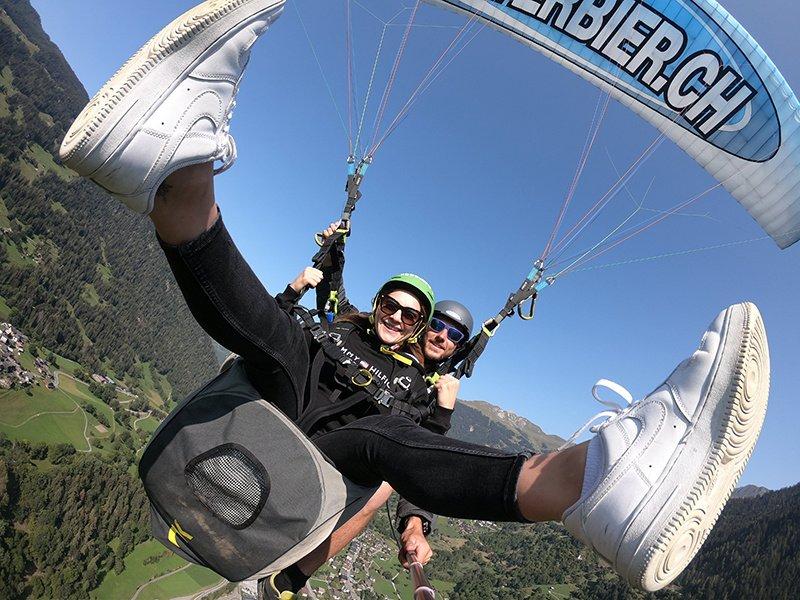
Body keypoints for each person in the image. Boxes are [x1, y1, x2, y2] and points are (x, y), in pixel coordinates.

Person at [59, 0, 770, 594]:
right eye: (391, 306)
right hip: (274, 395)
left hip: (335, 450)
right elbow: (286, 312)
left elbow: (413, 462)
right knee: (276, 336)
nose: (400, 318)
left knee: (384, 440)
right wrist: (312, 276)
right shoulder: (340, 324)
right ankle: (174, 179)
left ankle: (591, 485)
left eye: (412, 313)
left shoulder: (417, 388)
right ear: (374, 306)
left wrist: (417, 519)